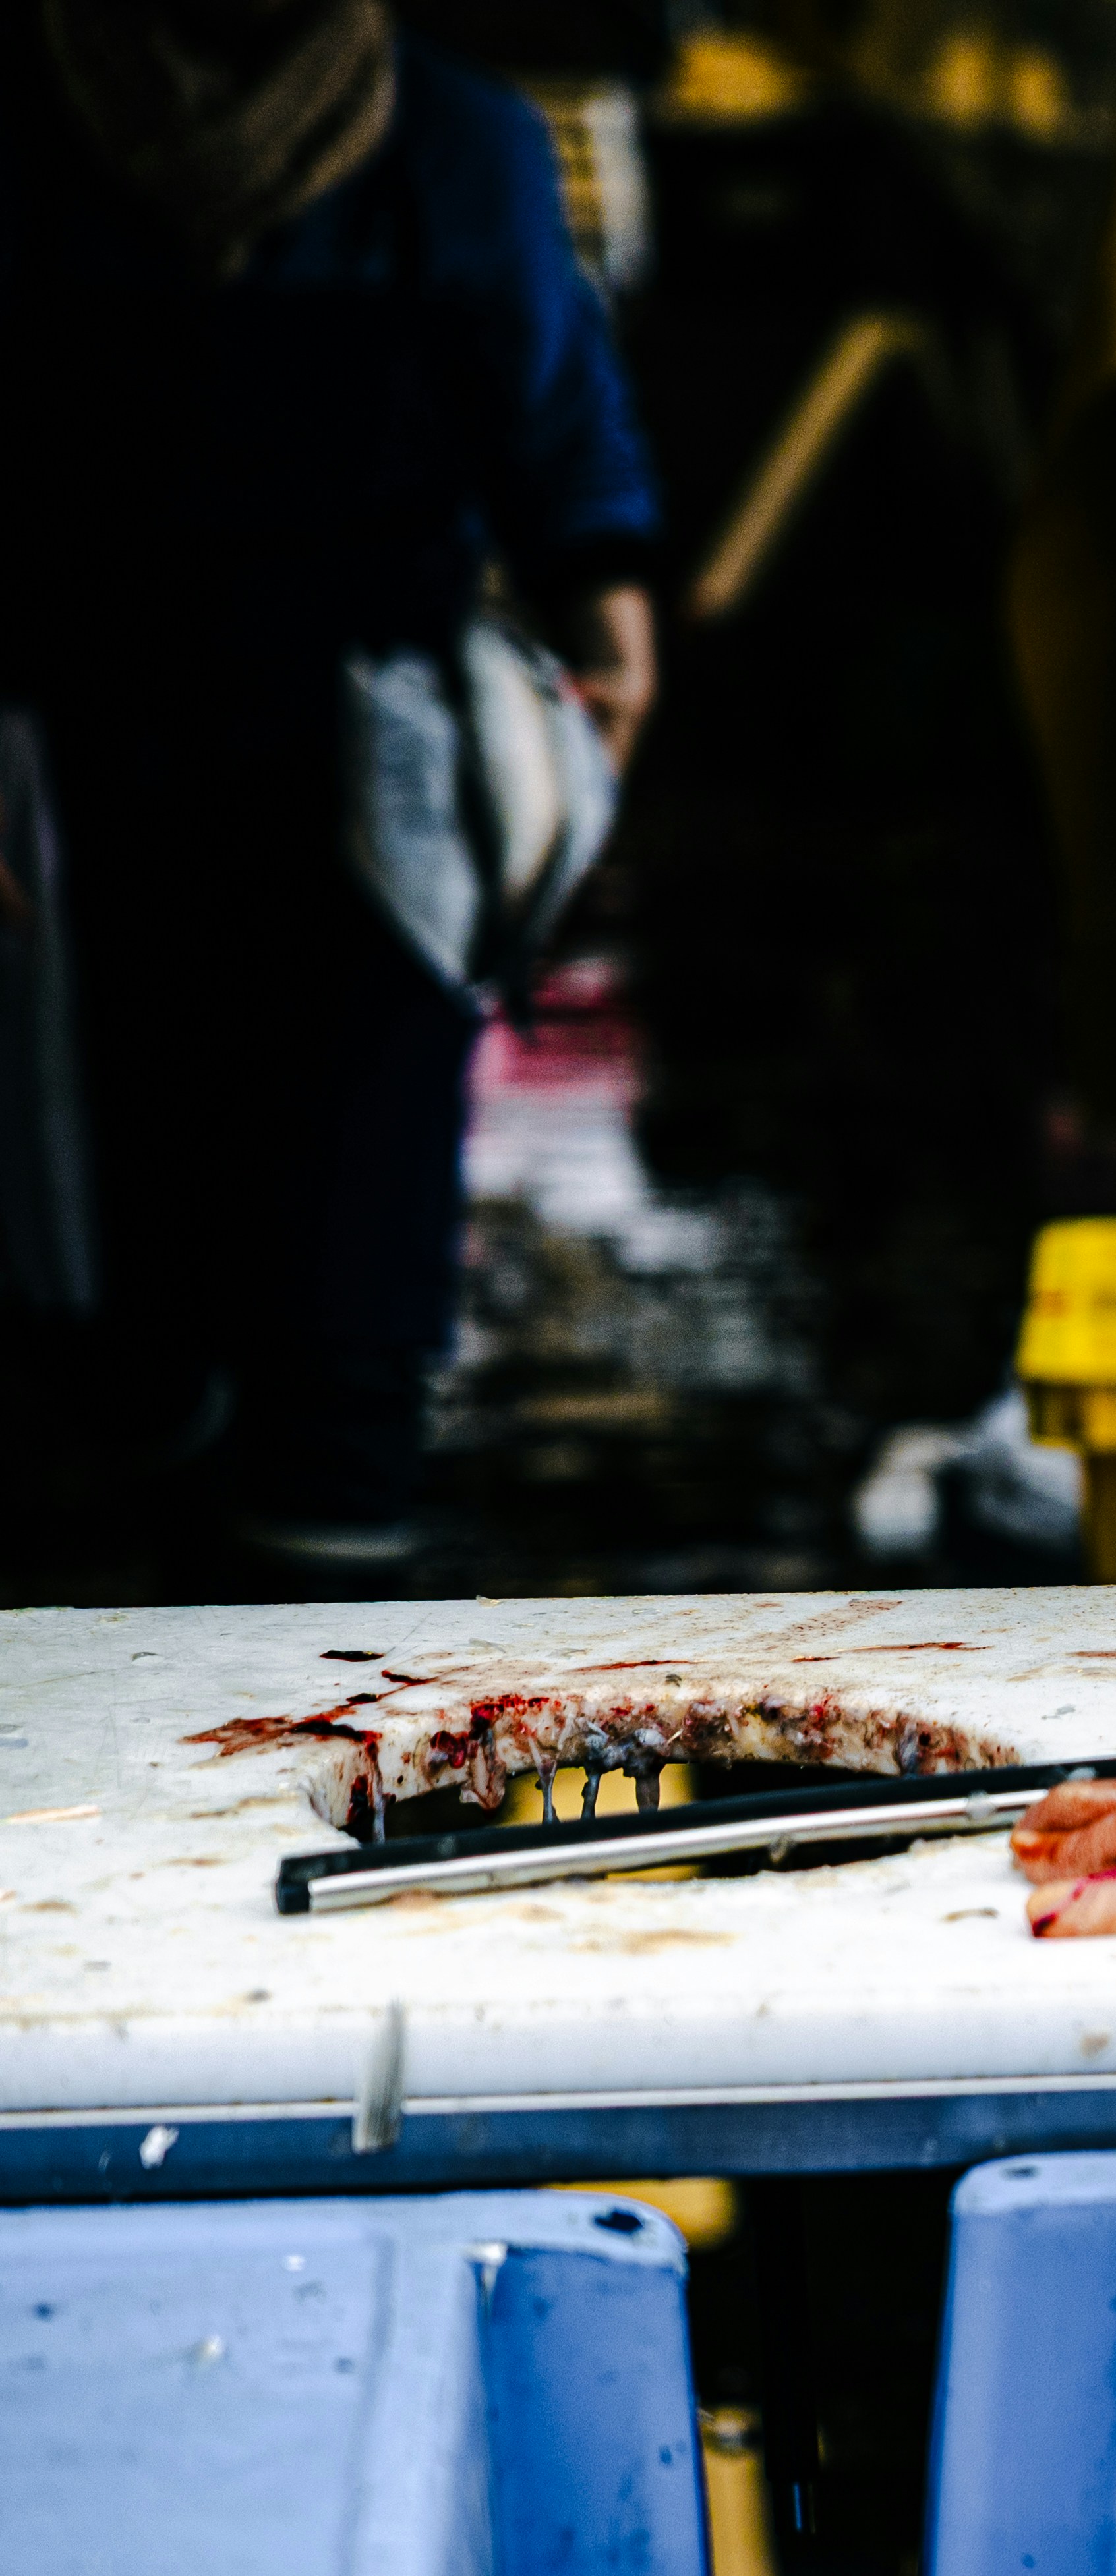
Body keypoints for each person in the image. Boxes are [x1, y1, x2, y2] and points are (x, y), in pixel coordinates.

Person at [0, 0, 660, 1583]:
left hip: (159, 783)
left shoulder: (36, 111)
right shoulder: (452, 138)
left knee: (140, 1275)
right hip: (335, 780)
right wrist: (604, 681)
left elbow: (568, 464)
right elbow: (565, 459)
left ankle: (192, 1610)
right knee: (299, 1279)